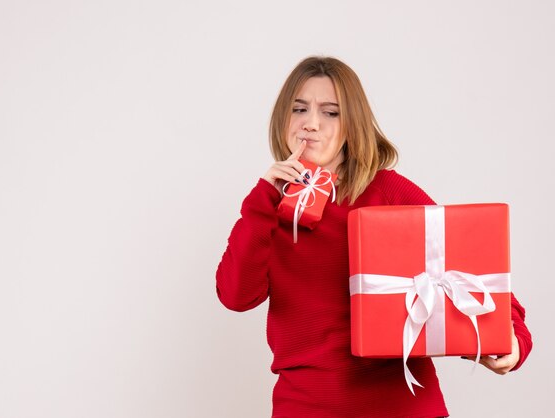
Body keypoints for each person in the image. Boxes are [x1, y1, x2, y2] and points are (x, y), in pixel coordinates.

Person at [215, 56, 532, 417]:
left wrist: (515, 342)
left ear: (352, 124)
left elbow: (478, 280)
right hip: (303, 406)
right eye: (299, 109)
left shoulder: (388, 191)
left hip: (403, 405)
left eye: (331, 112)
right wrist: (264, 197)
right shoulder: (266, 207)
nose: (311, 124)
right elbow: (236, 296)